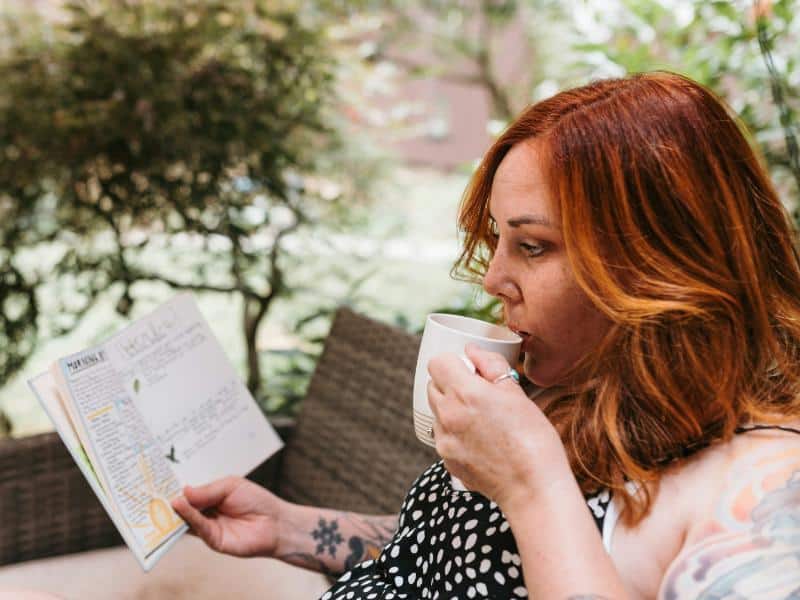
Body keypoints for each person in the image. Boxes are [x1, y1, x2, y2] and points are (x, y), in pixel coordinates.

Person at [171, 71, 800, 599]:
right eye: (498, 239)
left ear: (664, 258)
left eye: (533, 245)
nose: (495, 278)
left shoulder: (763, 487)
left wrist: (531, 481)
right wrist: (292, 529)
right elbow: (451, 556)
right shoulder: (578, 380)